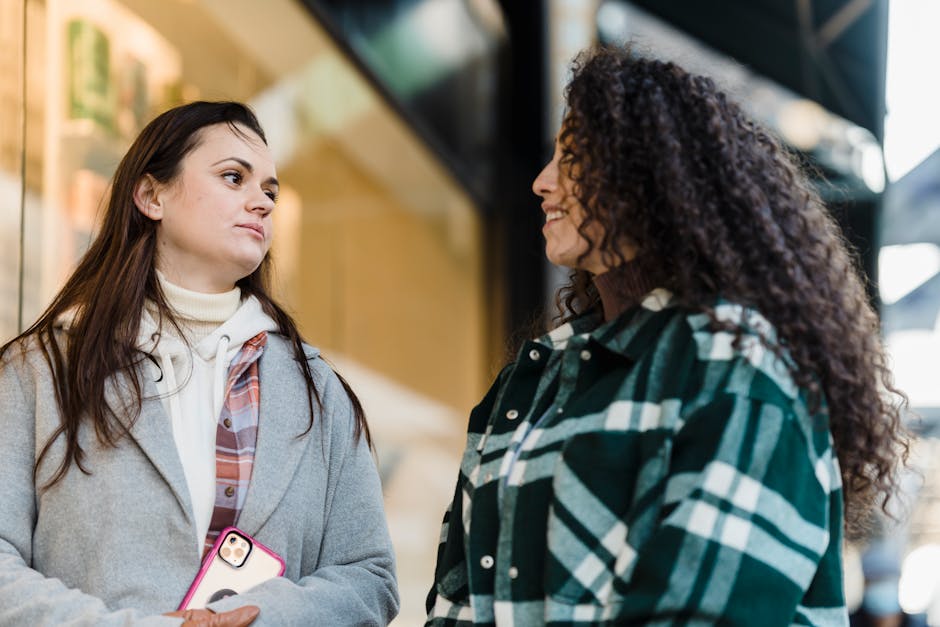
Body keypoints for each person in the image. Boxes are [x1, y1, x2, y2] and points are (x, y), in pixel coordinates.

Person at [425, 47, 908, 626]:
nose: (541, 182)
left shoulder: (738, 366)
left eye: (574, 156)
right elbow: (455, 608)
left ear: (655, 174)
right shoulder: (526, 385)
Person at [0, 101, 399, 626]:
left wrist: (264, 617)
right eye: (234, 178)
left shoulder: (318, 391)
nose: (261, 202)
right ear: (151, 195)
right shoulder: (40, 370)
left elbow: (368, 577)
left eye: (270, 192)